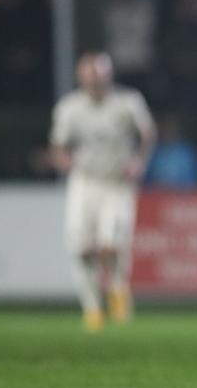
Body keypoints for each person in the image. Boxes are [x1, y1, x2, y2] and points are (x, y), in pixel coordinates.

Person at [50, 52, 156, 331]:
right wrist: (65, 161)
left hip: (117, 183)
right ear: (81, 78)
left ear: (109, 76)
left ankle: (118, 289)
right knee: (81, 248)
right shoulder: (70, 107)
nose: (95, 82)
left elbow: (147, 134)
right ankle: (93, 308)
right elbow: (59, 144)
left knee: (111, 244)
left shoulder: (128, 102)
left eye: (99, 76)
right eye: (89, 77)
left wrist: (138, 161)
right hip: (84, 182)